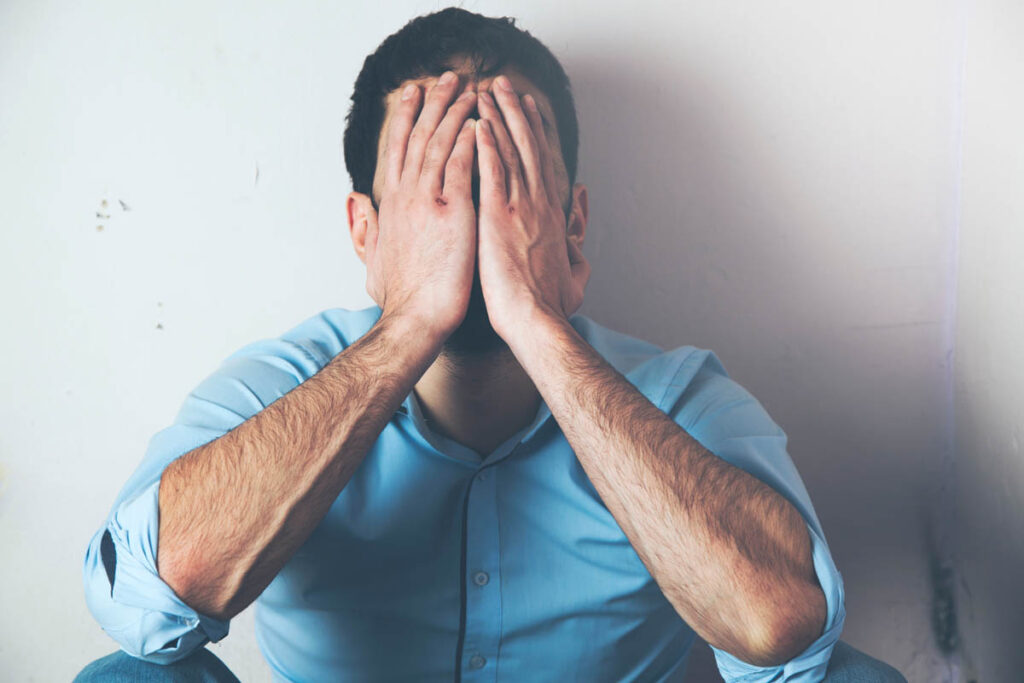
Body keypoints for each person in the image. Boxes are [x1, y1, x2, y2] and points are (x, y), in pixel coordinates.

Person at [75, 8, 901, 682]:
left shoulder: (678, 396)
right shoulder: (285, 381)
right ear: (364, 231)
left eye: (501, 183)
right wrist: (408, 325)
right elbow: (147, 605)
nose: (468, 225)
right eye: (437, 189)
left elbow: (786, 632)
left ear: (570, 225)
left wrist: (536, 321)